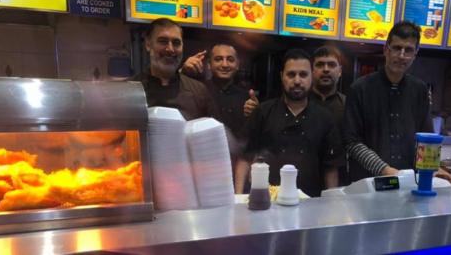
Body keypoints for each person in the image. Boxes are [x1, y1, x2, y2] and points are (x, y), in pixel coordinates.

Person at [344, 21, 451, 184]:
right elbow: (352, 143)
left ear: (415, 54)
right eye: (396, 48)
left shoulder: (420, 90)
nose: (402, 55)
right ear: (386, 50)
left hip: (407, 183)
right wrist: (386, 171)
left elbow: (426, 139)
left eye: (408, 50)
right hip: (367, 184)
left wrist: (434, 169)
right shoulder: (359, 89)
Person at [237, 49, 342, 196]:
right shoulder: (263, 112)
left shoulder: (325, 118)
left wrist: (333, 203)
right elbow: (244, 158)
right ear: (282, 76)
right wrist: (238, 198)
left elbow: (330, 168)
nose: (297, 81)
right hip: (267, 201)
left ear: (311, 76)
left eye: (303, 74)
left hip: (310, 203)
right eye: (291, 74)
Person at [182, 43, 250, 188]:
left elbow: (249, 142)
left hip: (236, 172)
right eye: (218, 59)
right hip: (202, 170)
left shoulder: (247, 97)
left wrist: (256, 114)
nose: (224, 64)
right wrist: (182, 71)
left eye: (230, 59)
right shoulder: (195, 89)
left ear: (237, 65)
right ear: (209, 65)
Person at [141, 17, 218, 120]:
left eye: (176, 43)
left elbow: (214, 133)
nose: (170, 49)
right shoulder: (129, 91)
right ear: (148, 44)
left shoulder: (199, 91)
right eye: (163, 41)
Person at [308, 45, 348, 185]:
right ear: (312, 71)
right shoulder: (297, 103)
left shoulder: (348, 105)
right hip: (304, 177)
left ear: (340, 71)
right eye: (320, 65)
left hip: (339, 180)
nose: (326, 69)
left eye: (331, 65)